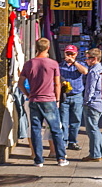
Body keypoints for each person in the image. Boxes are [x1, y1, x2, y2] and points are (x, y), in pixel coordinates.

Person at [18, 37, 69, 166]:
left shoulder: (29, 63)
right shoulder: (53, 64)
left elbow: (20, 83)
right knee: (56, 129)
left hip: (34, 99)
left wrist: (28, 94)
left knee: (36, 129)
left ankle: (38, 160)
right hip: (49, 99)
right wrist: (57, 99)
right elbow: (57, 84)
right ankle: (61, 158)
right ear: (48, 48)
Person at [58, 44, 87, 151]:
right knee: (64, 120)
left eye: (72, 54)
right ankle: (64, 141)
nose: (70, 56)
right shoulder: (60, 65)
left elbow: (85, 71)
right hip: (64, 96)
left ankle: (73, 141)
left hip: (77, 95)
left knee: (76, 120)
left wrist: (74, 62)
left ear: (76, 54)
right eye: (68, 53)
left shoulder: (81, 64)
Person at [82, 48, 102, 162]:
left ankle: (95, 153)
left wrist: (86, 101)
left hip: (93, 103)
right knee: (95, 127)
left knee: (91, 129)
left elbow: (90, 89)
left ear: (94, 59)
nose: (86, 60)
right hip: (101, 102)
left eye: (88, 58)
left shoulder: (93, 72)